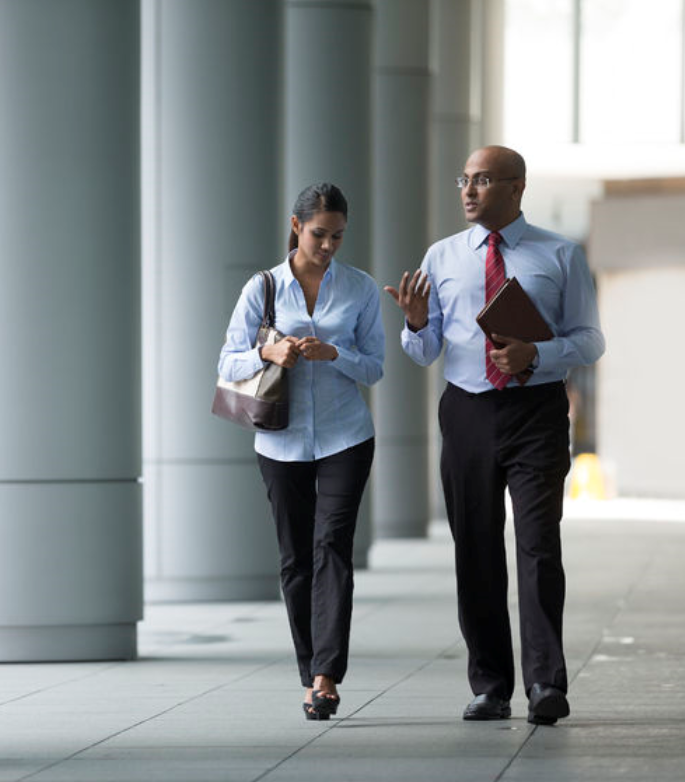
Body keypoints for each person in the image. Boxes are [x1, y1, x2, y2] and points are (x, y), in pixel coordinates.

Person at [385, 146, 604, 725]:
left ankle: (545, 683)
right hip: (468, 411)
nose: (468, 190)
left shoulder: (559, 254)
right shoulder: (442, 256)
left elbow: (590, 340)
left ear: (517, 187)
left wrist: (540, 350)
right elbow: (427, 349)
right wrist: (412, 323)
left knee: (538, 546)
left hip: (536, 410)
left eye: (483, 180)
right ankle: (490, 686)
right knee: (475, 550)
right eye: (465, 179)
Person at [218, 183, 384, 720]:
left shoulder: (358, 289)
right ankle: (307, 666)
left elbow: (375, 367)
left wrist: (335, 352)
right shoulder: (262, 287)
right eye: (319, 234)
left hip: (346, 436)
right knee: (295, 559)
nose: (329, 245)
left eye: (338, 235)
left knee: (332, 546)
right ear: (296, 226)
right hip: (281, 439)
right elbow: (227, 364)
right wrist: (268, 350)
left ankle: (326, 676)